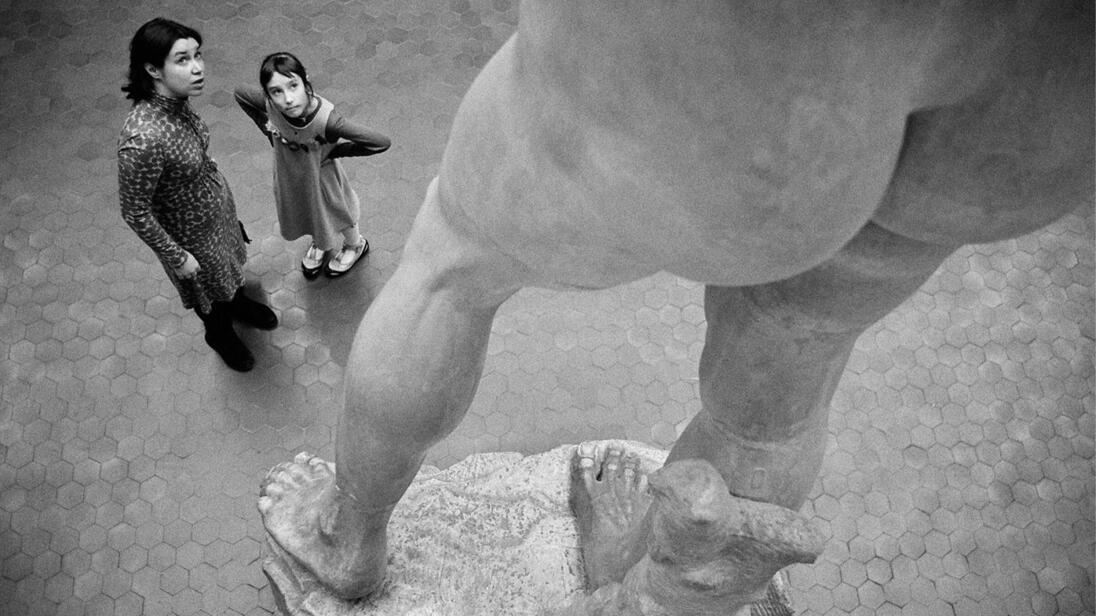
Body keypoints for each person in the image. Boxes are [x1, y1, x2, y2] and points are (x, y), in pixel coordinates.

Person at [258, 1, 1093, 612]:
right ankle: (644, 578)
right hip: (1043, 99)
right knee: (788, 378)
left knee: (453, 258)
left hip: (761, 58)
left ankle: (349, 542)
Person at [118, 17, 277, 373]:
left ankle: (237, 302)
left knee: (230, 271)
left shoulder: (176, 102)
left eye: (198, 55)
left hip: (215, 215)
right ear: (152, 69)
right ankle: (220, 335)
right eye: (183, 60)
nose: (198, 67)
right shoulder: (142, 139)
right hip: (190, 239)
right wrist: (177, 257)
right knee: (209, 296)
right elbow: (134, 212)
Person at [235, 52, 391, 278]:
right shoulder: (271, 107)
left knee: (339, 212)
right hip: (291, 174)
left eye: (293, 86)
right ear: (268, 93)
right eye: (276, 91)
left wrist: (336, 151)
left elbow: (380, 142)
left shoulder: (326, 120)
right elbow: (240, 94)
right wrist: (268, 129)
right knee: (307, 211)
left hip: (322, 179)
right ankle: (321, 240)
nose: (287, 99)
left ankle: (355, 245)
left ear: (305, 82)